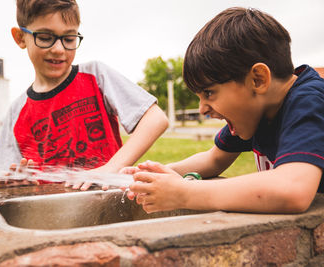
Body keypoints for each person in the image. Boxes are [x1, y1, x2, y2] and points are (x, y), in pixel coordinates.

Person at [125, 7, 324, 214]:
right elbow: (214, 159)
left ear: (258, 79)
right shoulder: (257, 111)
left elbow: (292, 191)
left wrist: (185, 193)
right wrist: (155, 176)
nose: (202, 109)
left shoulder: (309, 101)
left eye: (209, 93)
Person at [0, 0, 168, 189]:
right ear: (20, 38)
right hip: (52, 214)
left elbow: (156, 119)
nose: (58, 49)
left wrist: (109, 169)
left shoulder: (96, 76)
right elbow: (8, 182)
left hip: (112, 203)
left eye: (68, 39)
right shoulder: (17, 112)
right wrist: (19, 185)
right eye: (45, 37)